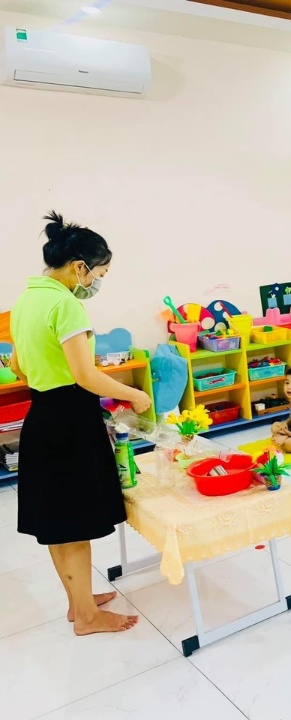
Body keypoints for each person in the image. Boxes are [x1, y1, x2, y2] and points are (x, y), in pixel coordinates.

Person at [10, 211, 151, 635]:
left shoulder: (26, 300)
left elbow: (17, 367)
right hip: (70, 421)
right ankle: (88, 617)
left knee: (59, 522)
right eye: (99, 274)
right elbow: (86, 376)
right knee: (74, 524)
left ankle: (79, 602)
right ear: (79, 267)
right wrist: (134, 395)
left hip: (42, 415)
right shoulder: (66, 304)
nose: (96, 282)